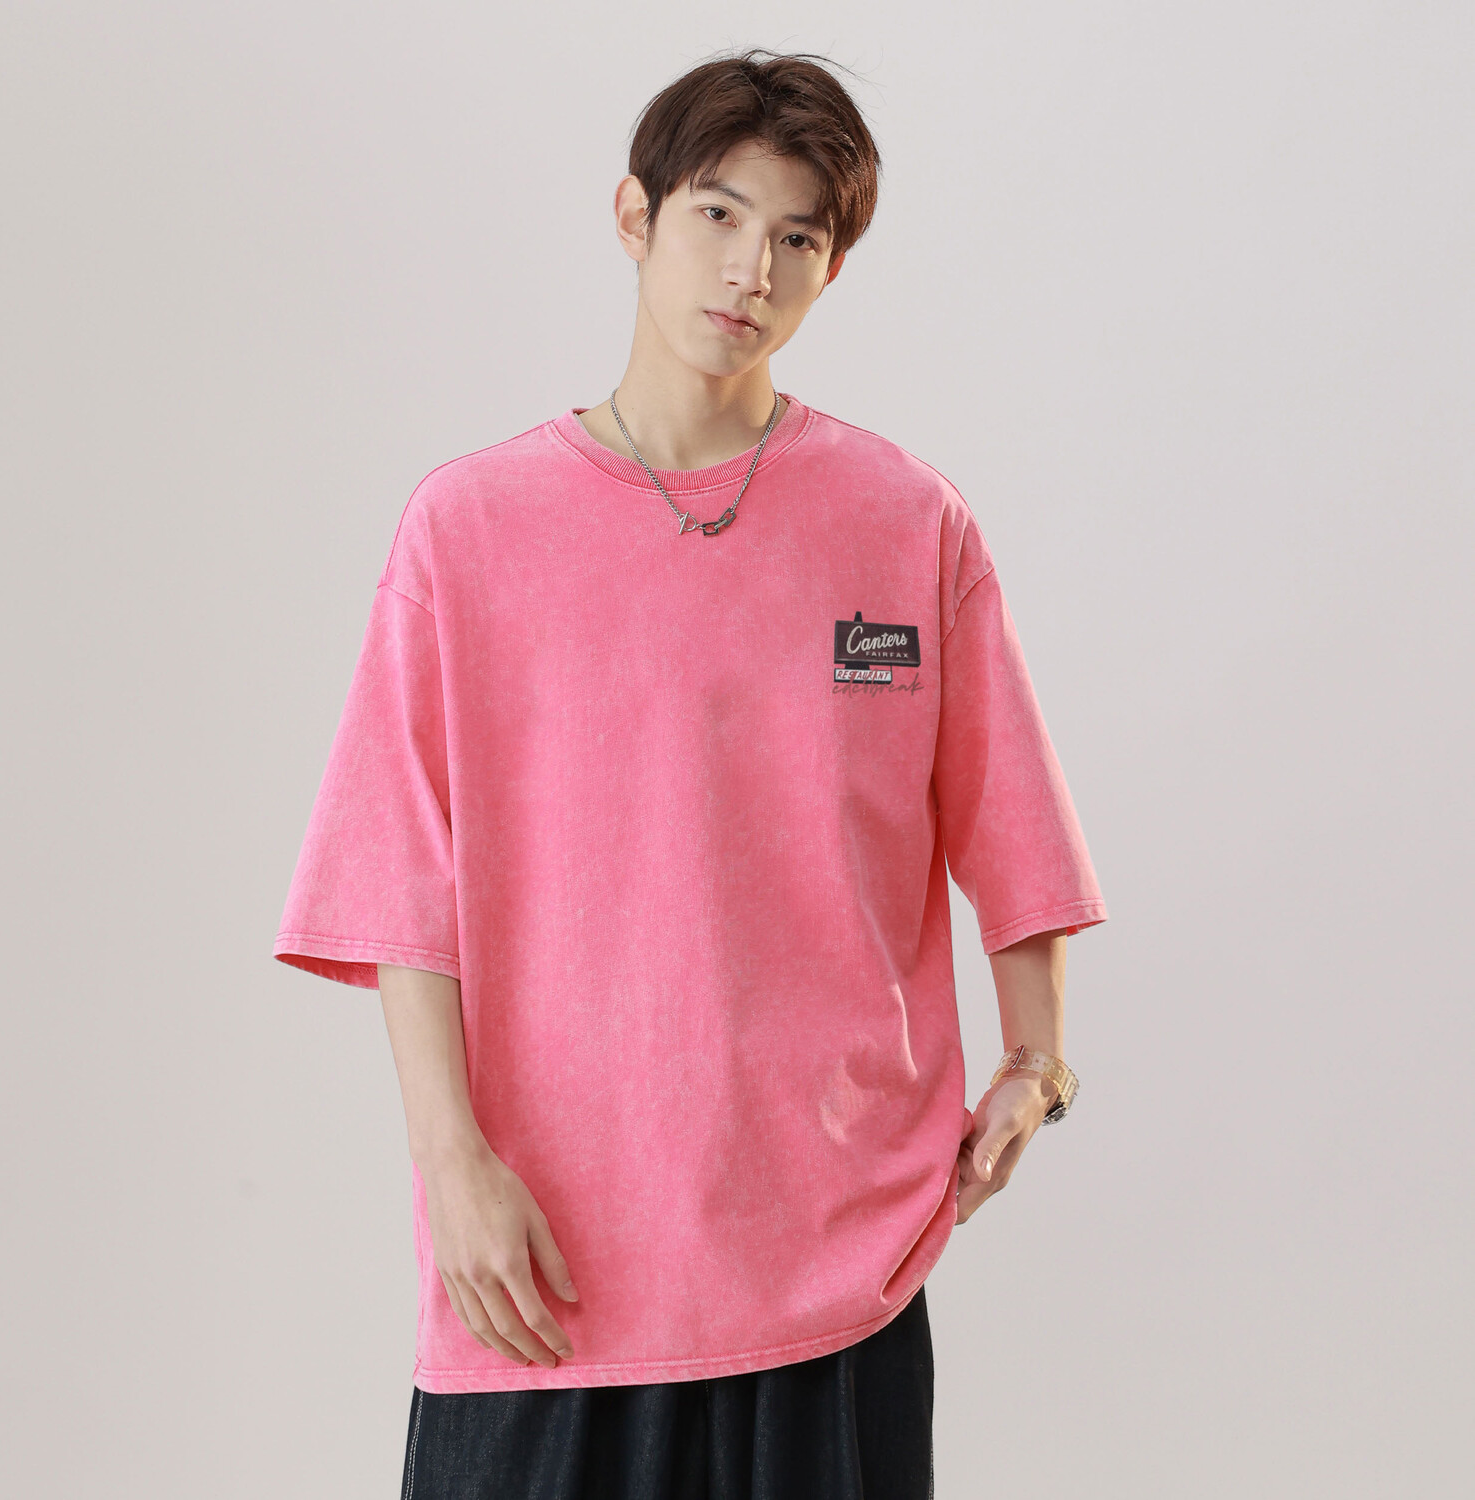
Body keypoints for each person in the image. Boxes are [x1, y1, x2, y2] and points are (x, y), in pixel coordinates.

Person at [273, 46, 1107, 1500]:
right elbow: (400, 877)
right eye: (719, 215)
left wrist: (1034, 1066)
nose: (750, 270)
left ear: (833, 268)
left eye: (799, 238)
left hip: (834, 1259)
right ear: (633, 216)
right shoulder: (469, 529)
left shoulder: (906, 521)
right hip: (546, 1266)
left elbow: (1010, 823)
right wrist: (450, 1164)